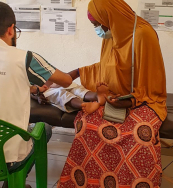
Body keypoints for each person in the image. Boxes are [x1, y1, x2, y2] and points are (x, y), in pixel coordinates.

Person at [0, 2, 72, 188]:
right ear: (11, 30)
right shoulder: (25, 58)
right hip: (6, 156)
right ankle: (12, 183)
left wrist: (29, 88)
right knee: (44, 129)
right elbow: (66, 81)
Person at [57, 0, 167, 187]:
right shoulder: (112, 34)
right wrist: (77, 72)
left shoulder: (143, 35)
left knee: (140, 134)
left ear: (110, 17)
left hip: (143, 99)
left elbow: (152, 79)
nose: (98, 29)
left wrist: (129, 102)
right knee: (86, 125)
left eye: (98, 24)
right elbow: (109, 67)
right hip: (114, 96)